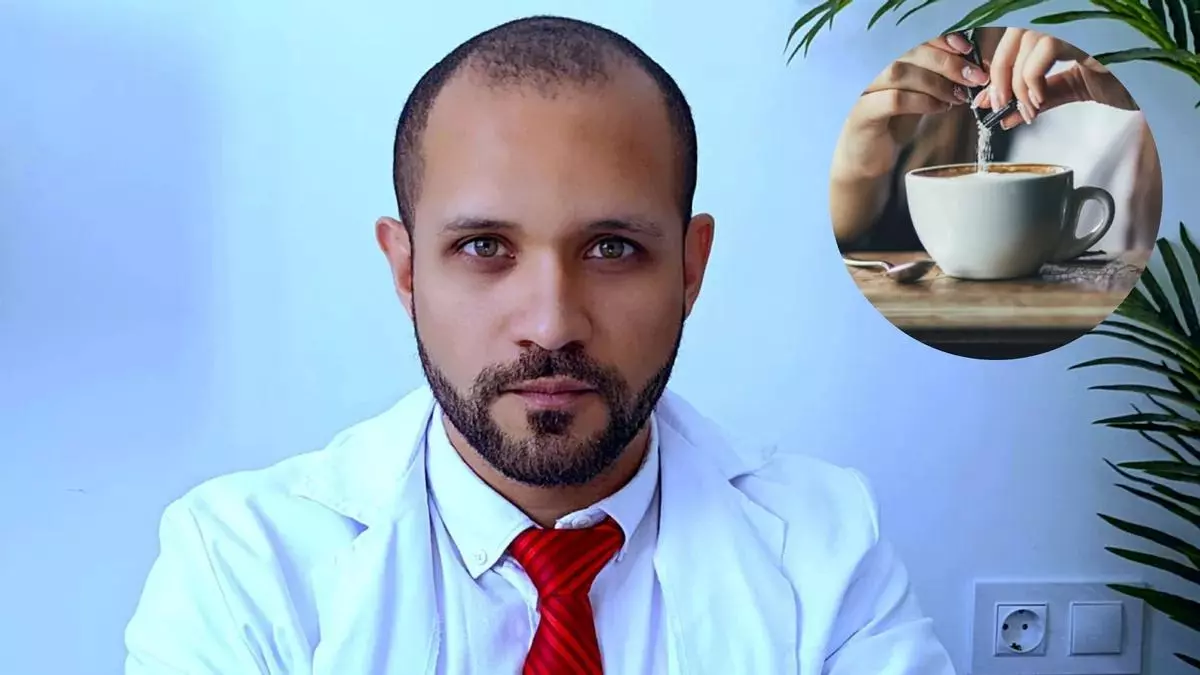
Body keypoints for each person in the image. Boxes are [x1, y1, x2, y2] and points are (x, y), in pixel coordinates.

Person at [124, 15, 956, 675]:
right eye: (484, 246)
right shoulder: (243, 563)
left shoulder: (825, 545)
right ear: (405, 269)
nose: (553, 323)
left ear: (690, 268)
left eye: (612, 248)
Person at [831, 27, 1162, 253]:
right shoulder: (957, 56)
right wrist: (859, 175)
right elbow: (871, 243)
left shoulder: (1140, 77)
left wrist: (1156, 86)